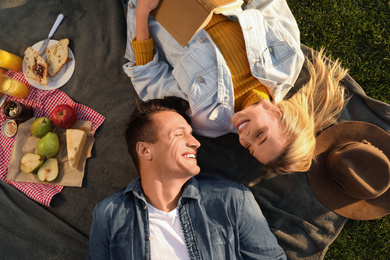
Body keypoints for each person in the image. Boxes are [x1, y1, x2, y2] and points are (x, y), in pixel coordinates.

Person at [122, 0, 347, 174]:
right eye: (260, 135)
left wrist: (141, 13)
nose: (244, 137)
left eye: (249, 147)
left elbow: (147, 76)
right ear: (278, 113)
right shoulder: (286, 62)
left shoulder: (206, 119)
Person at [87, 96, 286, 259]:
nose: (195, 143)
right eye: (179, 134)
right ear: (145, 150)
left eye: (191, 134)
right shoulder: (109, 216)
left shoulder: (232, 200)